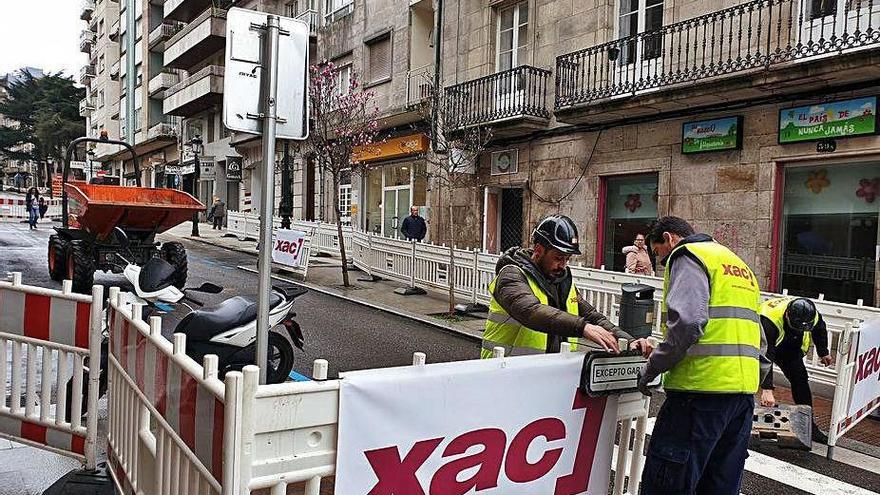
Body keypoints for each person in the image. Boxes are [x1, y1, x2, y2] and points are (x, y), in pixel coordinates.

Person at [638, 216, 761, 495]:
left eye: (658, 254)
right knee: (718, 485)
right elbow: (759, 337)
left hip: (699, 393)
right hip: (741, 398)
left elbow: (688, 323)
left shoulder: (688, 255)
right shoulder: (738, 265)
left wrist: (652, 368)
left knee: (669, 482)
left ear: (669, 238)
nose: (662, 262)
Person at [481, 214, 653, 358]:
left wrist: (629, 340)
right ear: (539, 250)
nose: (563, 265)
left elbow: (594, 317)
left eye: (567, 259)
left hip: (551, 376)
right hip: (504, 375)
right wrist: (582, 327)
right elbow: (530, 311)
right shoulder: (511, 275)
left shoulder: (561, 280)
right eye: (558, 258)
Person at [759, 296, 832, 443]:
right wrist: (767, 389)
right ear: (787, 315)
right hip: (764, 343)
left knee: (800, 380)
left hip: (790, 348)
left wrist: (823, 352)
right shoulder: (769, 319)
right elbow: (766, 353)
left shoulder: (811, 315)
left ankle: (808, 426)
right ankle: (746, 420)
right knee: (754, 380)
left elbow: (819, 329)